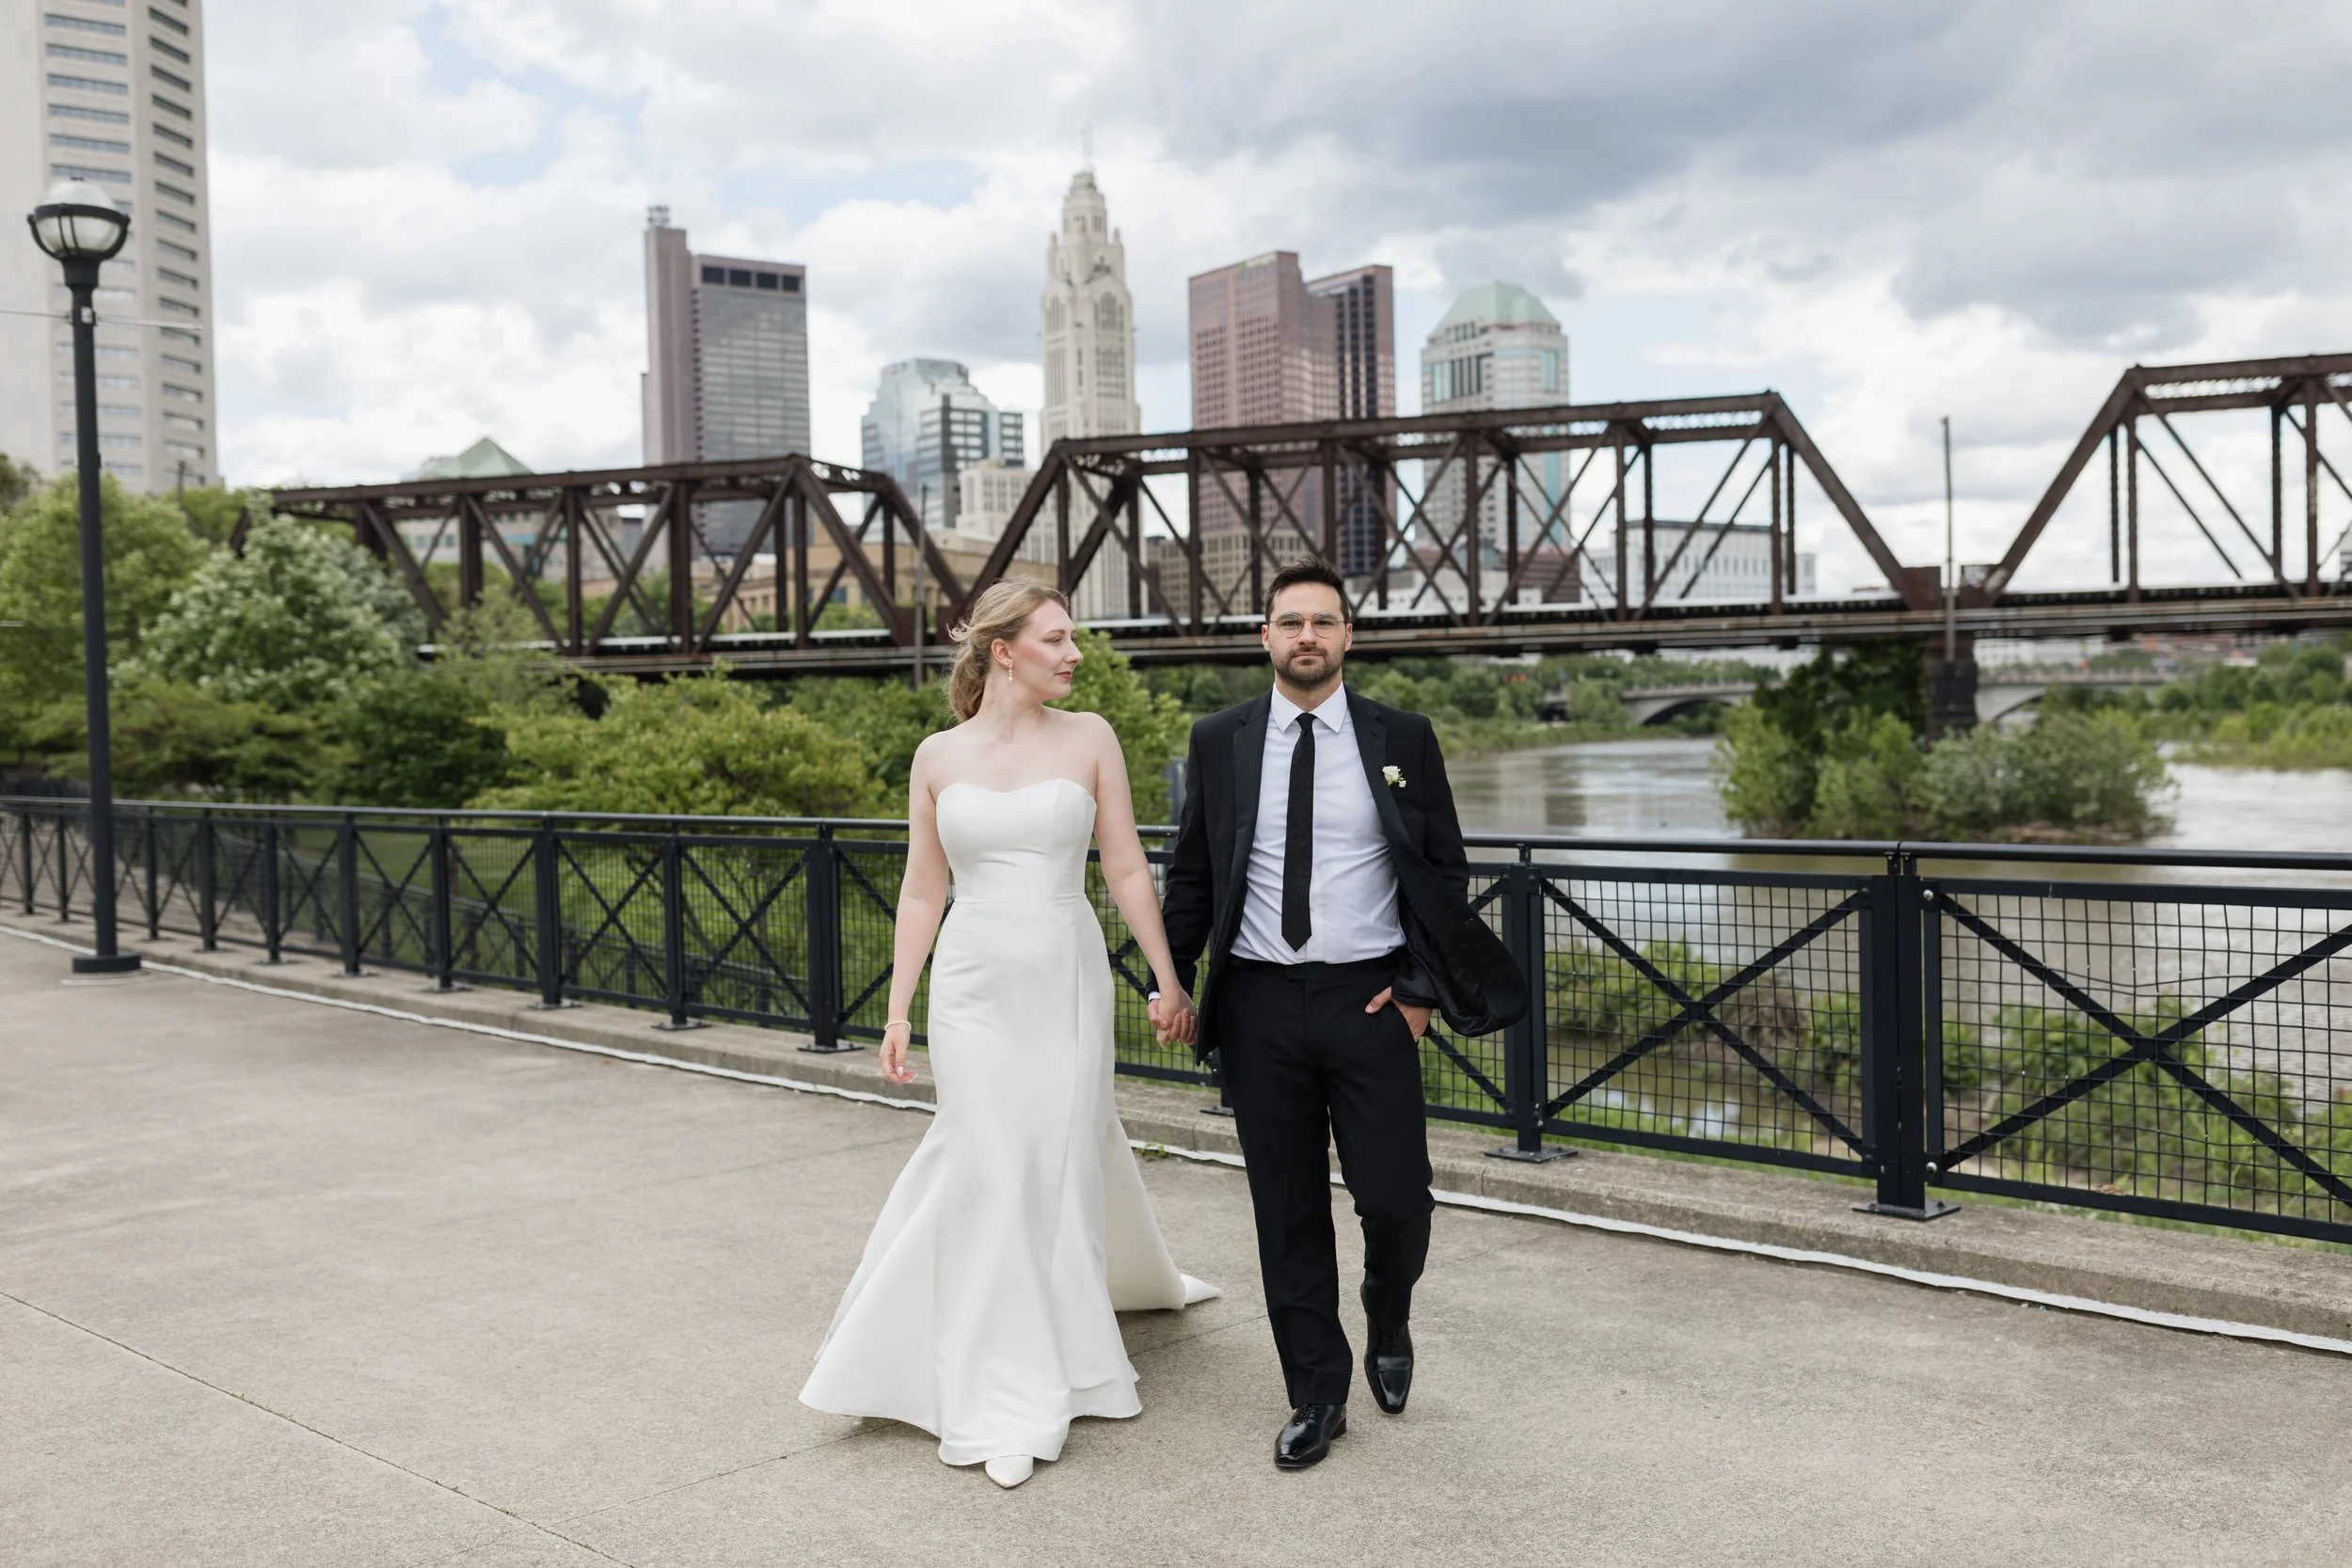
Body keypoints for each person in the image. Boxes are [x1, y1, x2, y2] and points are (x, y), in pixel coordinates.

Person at [799, 580, 1217, 1491]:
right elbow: (923, 889)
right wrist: (898, 1008)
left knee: (1055, 1159)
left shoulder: (1091, 736)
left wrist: (1167, 976)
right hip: (971, 985)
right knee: (988, 1159)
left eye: (1073, 639)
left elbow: (1125, 867)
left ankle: (1055, 1339)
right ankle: (1007, 1390)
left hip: (1064, 977)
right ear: (1003, 650)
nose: (1075, 654)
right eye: (1056, 639)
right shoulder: (936, 754)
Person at [1161, 557, 1526, 1471]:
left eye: (1323, 621)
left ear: (1348, 636)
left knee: (1397, 1199)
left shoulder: (1403, 736)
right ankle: (1317, 1393)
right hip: (1257, 1002)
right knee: (1286, 1210)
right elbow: (1194, 872)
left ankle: (1386, 1310)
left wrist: (1418, 991)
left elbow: (1443, 870)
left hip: (1370, 999)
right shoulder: (1220, 738)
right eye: (1291, 622)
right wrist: (1170, 978)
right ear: (1265, 636)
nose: (1307, 636)